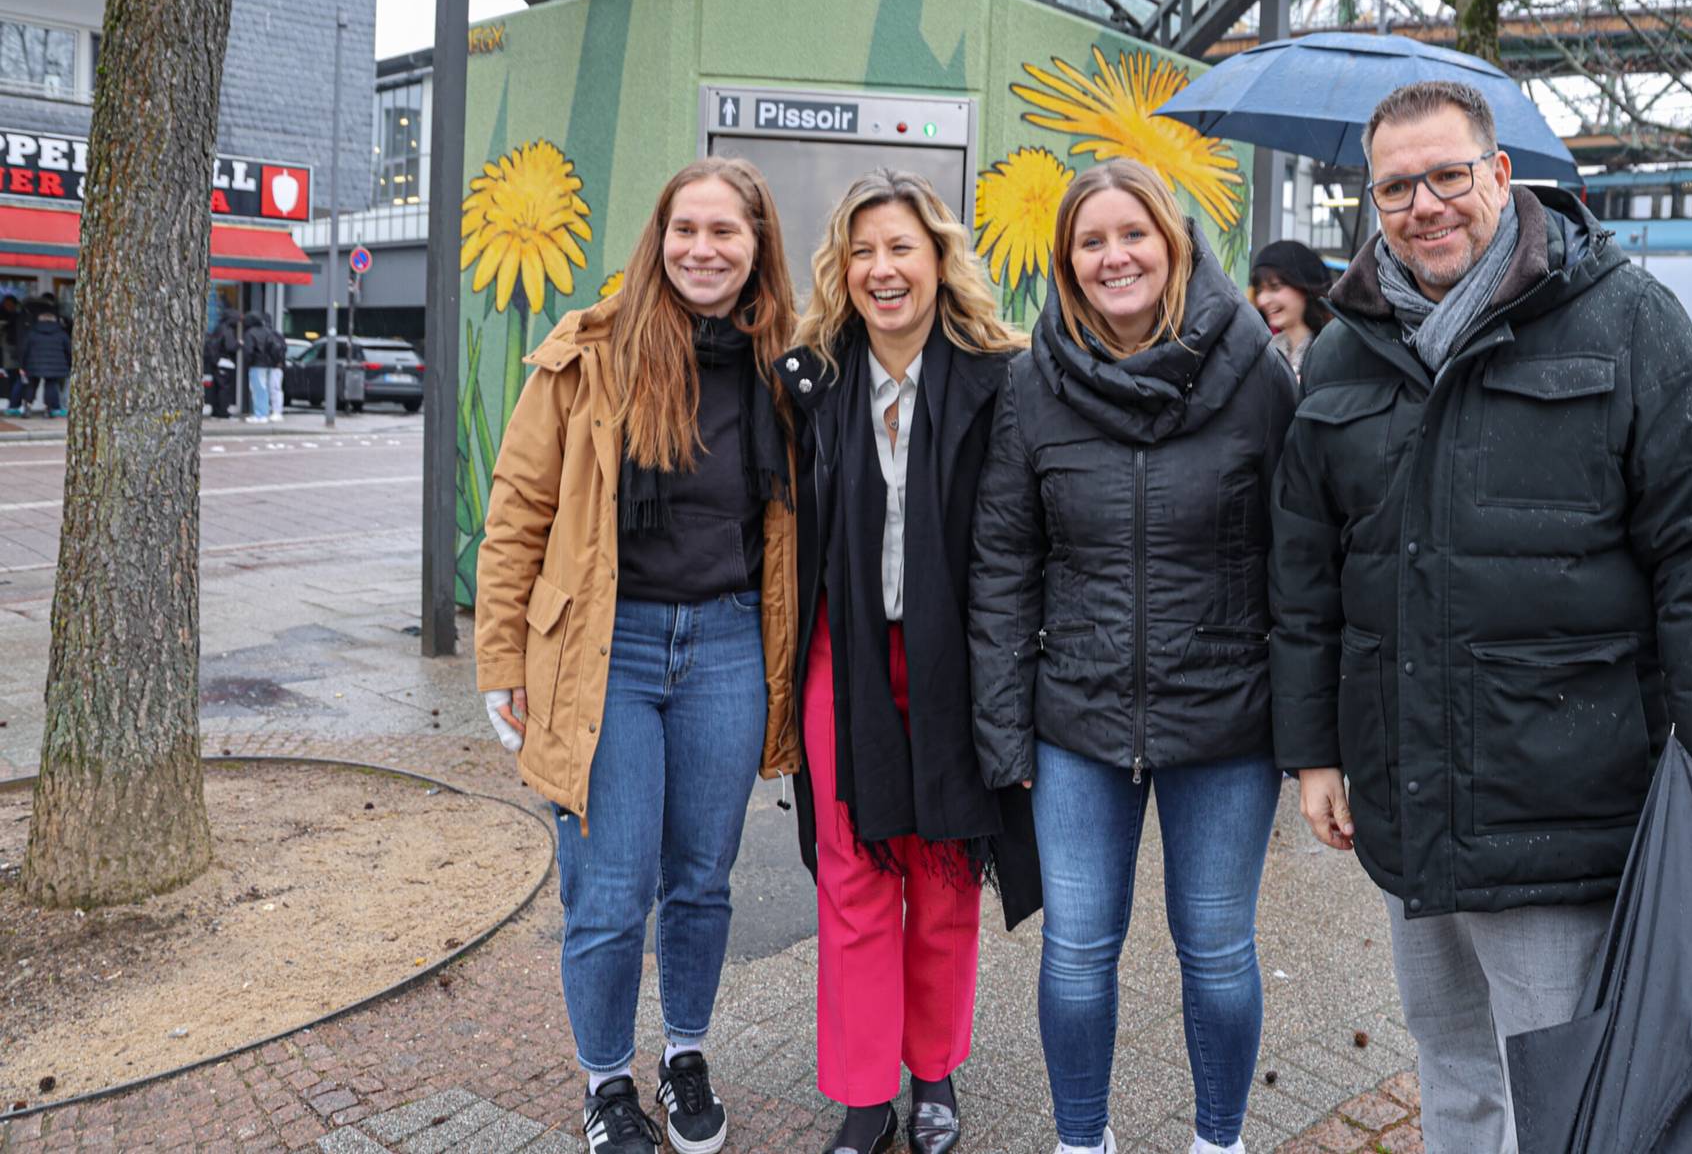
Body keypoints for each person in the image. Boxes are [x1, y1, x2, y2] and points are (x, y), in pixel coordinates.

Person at [1270, 79, 1692, 1154]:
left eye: (1448, 175)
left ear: (1500, 175)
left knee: (1563, 1090)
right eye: (1396, 186)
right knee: (1452, 1066)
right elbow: (1308, 569)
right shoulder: (1346, 348)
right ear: (1370, 199)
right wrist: (1313, 752)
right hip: (1410, 791)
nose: (1424, 204)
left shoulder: (1626, 317)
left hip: (1562, 794)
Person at [971, 158, 1298, 1154]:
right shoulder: (1032, 382)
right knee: (1076, 952)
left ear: (1175, 242)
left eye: (1133, 233)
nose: (1114, 256)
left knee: (1218, 950)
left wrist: (1307, 727)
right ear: (1067, 262)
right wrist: (1004, 731)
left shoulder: (1258, 373)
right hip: (1078, 716)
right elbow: (1002, 562)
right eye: (1091, 241)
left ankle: (1218, 1141)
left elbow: (1300, 555)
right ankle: (1083, 1140)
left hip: (1228, 717)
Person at [477, 157, 802, 1154]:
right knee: (611, 889)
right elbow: (518, 508)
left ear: (757, 246)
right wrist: (501, 658)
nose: (702, 249)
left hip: (728, 646)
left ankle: (686, 1052)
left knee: (702, 879)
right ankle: (608, 1081)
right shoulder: (590, 354)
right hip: (603, 653)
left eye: (725, 231)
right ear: (657, 241)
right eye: (684, 230)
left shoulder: (788, 367)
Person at [781, 169, 1038, 1154]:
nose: (882, 270)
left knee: (941, 871)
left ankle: (933, 1071)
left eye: (901, 248)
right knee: (852, 873)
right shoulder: (811, 382)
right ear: (841, 270)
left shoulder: (1001, 377)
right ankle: (862, 1093)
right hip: (842, 656)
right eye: (863, 252)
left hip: (956, 660)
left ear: (939, 259)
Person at [1248, 239, 1331, 382]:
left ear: (1304, 286)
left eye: (1275, 287)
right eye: (1260, 290)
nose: (1263, 300)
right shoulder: (1266, 350)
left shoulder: (1331, 349)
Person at [19, 299, 72, 418]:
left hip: (33, 364)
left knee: (32, 385)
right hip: (55, 365)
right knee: (51, 385)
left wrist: (22, 365)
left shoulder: (32, 332)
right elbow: (69, 350)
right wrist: (69, 364)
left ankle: (27, 407)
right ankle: (48, 410)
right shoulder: (61, 333)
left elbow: (24, 350)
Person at [242, 311, 275, 424]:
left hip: (256, 364)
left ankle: (260, 414)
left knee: (257, 390)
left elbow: (249, 351)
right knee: (264, 389)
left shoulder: (250, 333)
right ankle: (263, 413)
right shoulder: (267, 331)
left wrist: (249, 361)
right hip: (268, 365)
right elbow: (272, 347)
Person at [207, 313, 240, 419]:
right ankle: (223, 411)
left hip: (216, 361)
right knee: (224, 388)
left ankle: (216, 411)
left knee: (217, 387)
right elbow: (230, 346)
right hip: (224, 362)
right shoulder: (227, 330)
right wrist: (239, 344)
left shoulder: (218, 328)